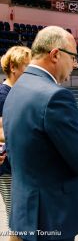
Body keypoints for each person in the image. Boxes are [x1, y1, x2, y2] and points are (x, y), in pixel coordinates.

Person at [2, 26, 78, 241]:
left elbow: (41, 143)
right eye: (73, 57)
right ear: (55, 54)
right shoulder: (56, 96)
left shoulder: (17, 87)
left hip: (25, 210)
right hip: (50, 215)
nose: (75, 65)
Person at [0, 46, 31, 241]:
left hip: (20, 165)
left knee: (21, 218)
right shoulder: (3, 95)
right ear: (13, 67)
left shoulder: (19, 92)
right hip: (8, 166)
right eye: (27, 68)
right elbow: (2, 132)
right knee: (16, 220)